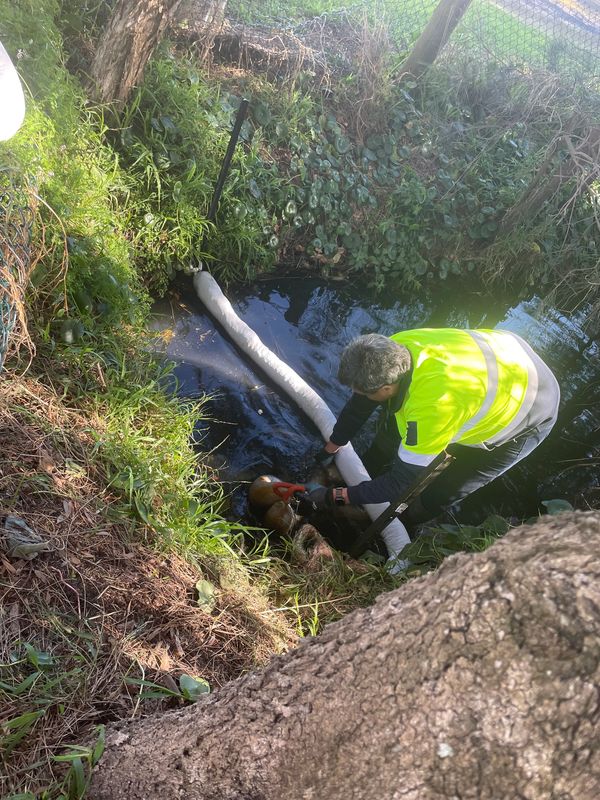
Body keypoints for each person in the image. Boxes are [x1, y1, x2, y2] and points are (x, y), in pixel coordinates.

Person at [309, 328, 560, 530]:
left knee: (445, 490)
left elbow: (402, 481)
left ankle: (400, 525)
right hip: (505, 358)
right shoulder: (392, 348)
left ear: (386, 388)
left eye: (362, 392)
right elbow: (360, 404)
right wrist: (333, 445)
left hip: (531, 412)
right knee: (392, 436)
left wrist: (334, 497)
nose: (356, 396)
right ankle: (366, 472)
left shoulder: (432, 409)